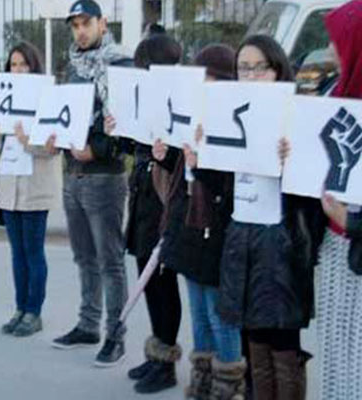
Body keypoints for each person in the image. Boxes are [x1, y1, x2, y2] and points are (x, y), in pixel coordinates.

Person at [196, 35, 323, 400]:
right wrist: (203, 155)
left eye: (259, 67)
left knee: (282, 341)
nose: (250, 75)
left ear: (277, 69)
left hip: (281, 248)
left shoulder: (299, 114)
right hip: (242, 244)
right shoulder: (230, 113)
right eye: (243, 68)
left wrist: (292, 162)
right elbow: (220, 189)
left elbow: (312, 197)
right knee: (253, 338)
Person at [151, 44, 242, 399]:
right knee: (200, 314)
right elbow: (180, 172)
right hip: (188, 226)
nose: (204, 87)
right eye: (200, 79)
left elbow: (226, 185)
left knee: (221, 317)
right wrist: (166, 157)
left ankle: (227, 385)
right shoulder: (191, 114)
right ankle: (202, 382)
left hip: (217, 231)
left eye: (212, 79)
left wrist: (200, 162)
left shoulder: (235, 123)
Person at [50, 0, 131, 368]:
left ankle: (116, 334)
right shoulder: (74, 67)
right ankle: (88, 324)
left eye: (86, 23)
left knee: (110, 261)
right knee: (84, 257)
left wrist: (95, 150)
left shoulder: (121, 64)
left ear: (102, 23)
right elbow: (66, 115)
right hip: (73, 175)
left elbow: (127, 126)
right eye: (75, 25)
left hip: (104, 178)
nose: (80, 31)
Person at [110, 34, 183, 394]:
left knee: (162, 281)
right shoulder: (144, 97)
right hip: (141, 193)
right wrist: (117, 131)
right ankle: (156, 353)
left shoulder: (178, 97)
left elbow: (180, 157)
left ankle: (166, 362)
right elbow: (134, 143)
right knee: (146, 275)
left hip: (163, 197)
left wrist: (162, 153)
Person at [0, 42, 58, 337]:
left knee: (33, 250)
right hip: (8, 183)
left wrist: (27, 140)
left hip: (34, 185)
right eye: (13, 64)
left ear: (34, 66)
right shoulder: (1, 97)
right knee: (17, 252)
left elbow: (54, 148)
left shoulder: (46, 98)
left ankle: (34, 311)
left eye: (23, 64)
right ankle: (19, 308)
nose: (18, 70)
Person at [313, 2, 362, 399]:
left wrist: (353, 222)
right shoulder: (334, 91)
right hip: (332, 245)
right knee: (335, 349)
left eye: (336, 40)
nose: (330, 50)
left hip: (356, 243)